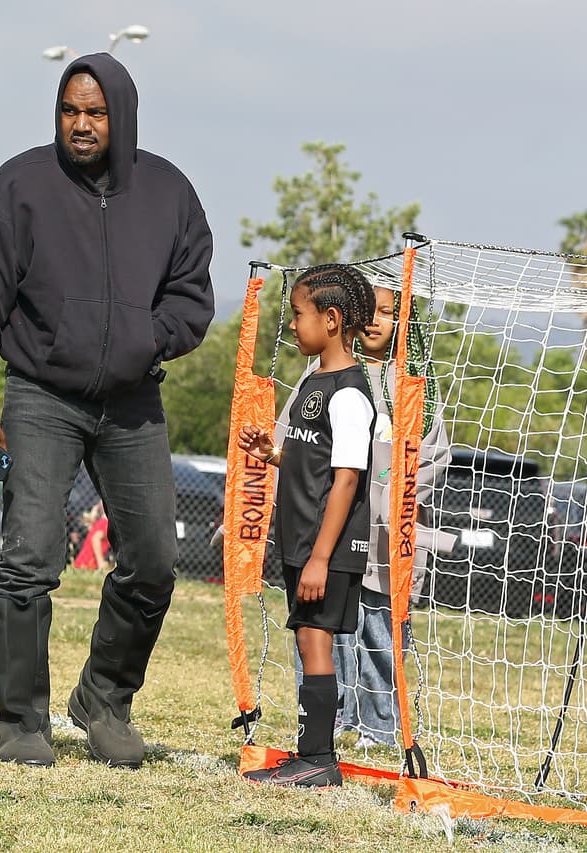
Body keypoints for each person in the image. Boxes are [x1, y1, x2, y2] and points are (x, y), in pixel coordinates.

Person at [0, 53, 214, 769]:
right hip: (39, 393)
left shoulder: (168, 191)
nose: (81, 124)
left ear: (119, 115)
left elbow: (191, 296)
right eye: (70, 111)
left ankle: (104, 698)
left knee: (154, 558)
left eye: (94, 112)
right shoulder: (21, 184)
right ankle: (21, 722)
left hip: (133, 401)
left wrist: (146, 339)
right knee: (29, 557)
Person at [237, 264, 377, 788]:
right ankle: (313, 755)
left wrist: (321, 557)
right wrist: (274, 455)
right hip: (302, 539)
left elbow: (344, 482)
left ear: (333, 319)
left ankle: (318, 759)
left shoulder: (348, 393)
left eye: (299, 315)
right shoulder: (314, 380)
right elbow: (314, 464)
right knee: (306, 639)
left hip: (327, 547)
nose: (292, 325)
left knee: (315, 640)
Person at [332, 285, 453, 748]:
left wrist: (392, 488)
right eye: (368, 311)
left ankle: (380, 725)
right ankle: (338, 715)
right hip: (339, 526)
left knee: (383, 630)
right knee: (339, 627)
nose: (375, 321)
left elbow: (434, 456)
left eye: (387, 313)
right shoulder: (335, 374)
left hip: (391, 534)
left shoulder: (414, 386)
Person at [72, 502, 112, 571]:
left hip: (84, 565)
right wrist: (101, 562)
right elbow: (95, 538)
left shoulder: (102, 521)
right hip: (87, 565)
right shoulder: (106, 523)